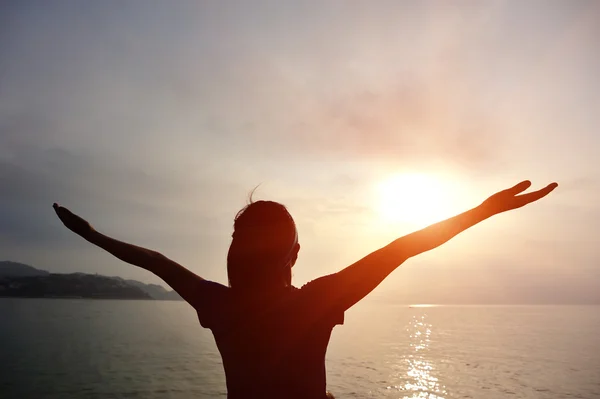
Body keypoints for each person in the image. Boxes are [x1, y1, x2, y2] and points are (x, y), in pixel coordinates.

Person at [53, 179, 557, 399]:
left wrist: (93, 237)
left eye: (244, 243)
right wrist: (482, 211)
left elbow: (155, 260)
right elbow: (403, 247)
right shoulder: (315, 302)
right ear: (294, 256)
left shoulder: (218, 304)